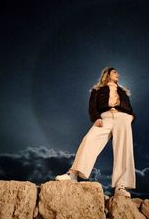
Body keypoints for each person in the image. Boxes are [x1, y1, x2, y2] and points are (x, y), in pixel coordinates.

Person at [55, 67, 136, 198]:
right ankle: (73, 173)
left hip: (123, 117)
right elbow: (92, 106)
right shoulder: (97, 90)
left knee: (124, 149)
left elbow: (130, 108)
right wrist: (96, 117)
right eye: (115, 72)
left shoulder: (123, 91)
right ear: (107, 74)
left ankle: (120, 186)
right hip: (105, 117)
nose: (118, 75)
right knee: (89, 139)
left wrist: (131, 117)